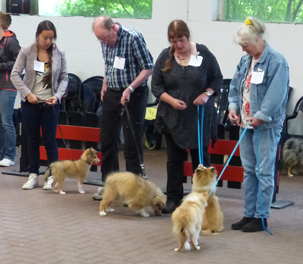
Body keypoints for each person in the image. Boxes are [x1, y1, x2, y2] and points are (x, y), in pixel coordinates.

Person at [151, 20, 223, 213]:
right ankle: (174, 198)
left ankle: (202, 199)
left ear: (187, 37)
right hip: (172, 117)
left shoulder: (204, 54)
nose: (178, 45)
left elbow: (217, 79)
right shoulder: (165, 56)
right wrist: (172, 101)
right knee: (174, 160)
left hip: (199, 118)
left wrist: (206, 94)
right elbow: (156, 87)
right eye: (173, 41)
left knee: (200, 161)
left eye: (181, 40)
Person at [228, 17, 289, 232]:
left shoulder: (276, 61)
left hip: (265, 126)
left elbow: (277, 95)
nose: (243, 49)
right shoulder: (245, 61)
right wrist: (233, 108)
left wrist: (261, 115)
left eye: (245, 45)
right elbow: (235, 87)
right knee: (249, 171)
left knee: (264, 171)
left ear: (256, 39)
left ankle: (261, 217)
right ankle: (249, 213)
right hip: (245, 125)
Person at [92, 16, 153, 199]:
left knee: (131, 141)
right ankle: (110, 185)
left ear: (114, 29)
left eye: (106, 38)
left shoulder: (133, 38)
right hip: (112, 91)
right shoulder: (105, 40)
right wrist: (105, 83)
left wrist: (130, 88)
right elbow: (108, 64)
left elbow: (148, 67)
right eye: (100, 39)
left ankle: (133, 190)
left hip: (134, 92)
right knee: (107, 139)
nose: (104, 42)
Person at [11, 20, 68, 190]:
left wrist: (57, 96)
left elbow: (64, 77)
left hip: (50, 104)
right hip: (30, 103)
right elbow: (15, 74)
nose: (48, 42)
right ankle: (33, 174)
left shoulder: (59, 53)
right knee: (32, 139)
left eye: (51, 38)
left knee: (50, 140)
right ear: (37, 36)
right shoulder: (27, 51)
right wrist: (27, 94)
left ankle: (52, 176)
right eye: (45, 38)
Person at [0, 11, 20, 167]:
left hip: (8, 86)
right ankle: (1, 154)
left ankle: (10, 155)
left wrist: (2, 66)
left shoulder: (11, 41)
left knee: (7, 122)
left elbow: (18, 62)